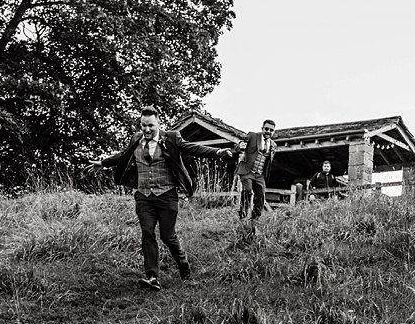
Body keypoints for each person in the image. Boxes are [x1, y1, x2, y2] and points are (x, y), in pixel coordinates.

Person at [88, 106, 234, 291]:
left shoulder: (171, 138)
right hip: (143, 196)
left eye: (150, 126)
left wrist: (217, 152)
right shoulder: (136, 139)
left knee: (167, 236)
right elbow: (123, 155)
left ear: (158, 123)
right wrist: (103, 163)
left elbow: (192, 148)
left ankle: (184, 265)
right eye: (143, 126)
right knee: (147, 232)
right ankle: (152, 277)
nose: (147, 130)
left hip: (167, 196)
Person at [235, 119, 277, 221]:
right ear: (262, 128)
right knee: (248, 190)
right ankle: (243, 215)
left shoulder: (273, 145)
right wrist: (240, 146)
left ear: (274, 132)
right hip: (247, 171)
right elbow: (238, 146)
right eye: (266, 129)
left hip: (260, 174)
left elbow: (268, 162)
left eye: (271, 130)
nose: (268, 131)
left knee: (261, 196)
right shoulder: (253, 136)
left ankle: (255, 219)